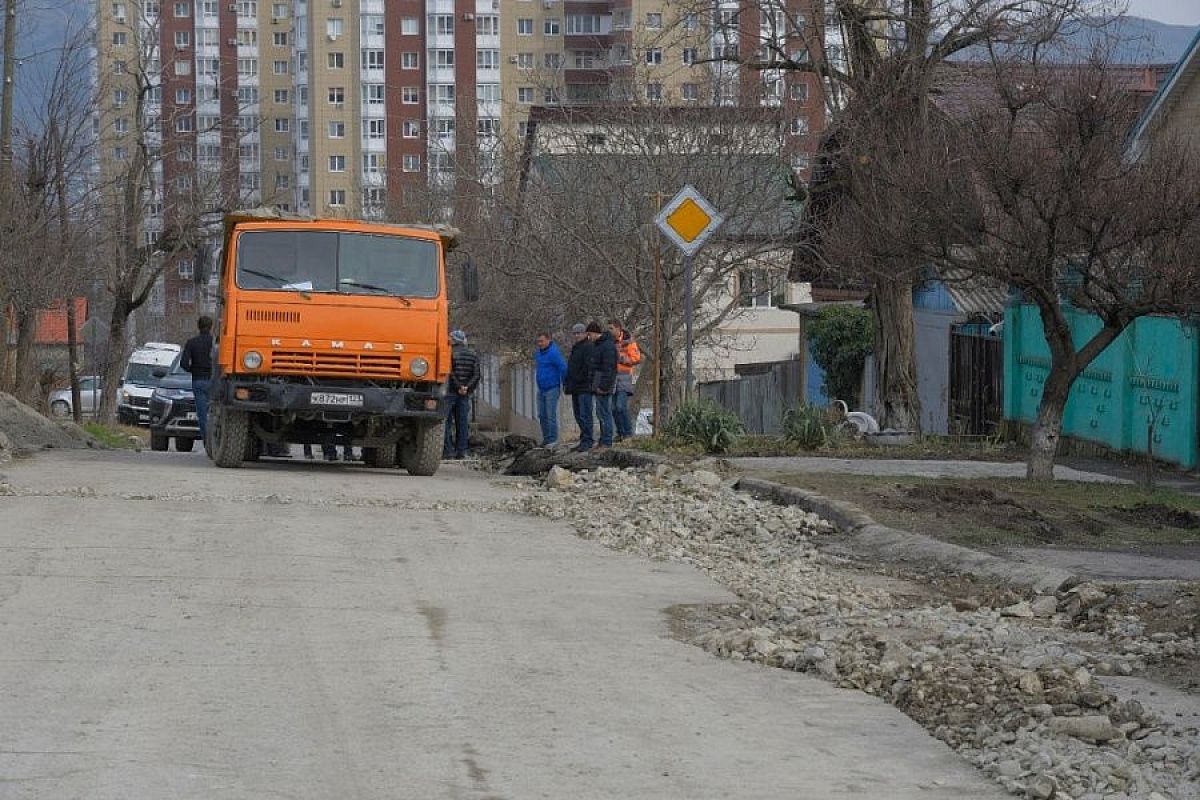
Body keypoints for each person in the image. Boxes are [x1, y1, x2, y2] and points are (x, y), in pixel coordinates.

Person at [444, 329, 479, 459]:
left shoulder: (449, 353)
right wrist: (466, 388)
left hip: (450, 392)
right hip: (464, 394)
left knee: (446, 422)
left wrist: (458, 386)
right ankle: (461, 451)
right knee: (462, 422)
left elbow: (449, 372)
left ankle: (448, 451)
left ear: (453, 340)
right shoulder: (473, 354)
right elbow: (476, 375)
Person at [179, 315, 213, 444]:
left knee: (202, 414)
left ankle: (206, 441)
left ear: (198, 326)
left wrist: (192, 370)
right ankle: (215, 439)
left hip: (198, 380)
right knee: (215, 412)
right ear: (211, 327)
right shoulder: (215, 343)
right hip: (213, 381)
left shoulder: (192, 343)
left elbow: (183, 363)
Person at [564, 322, 595, 452]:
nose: (577, 335)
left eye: (579, 333)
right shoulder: (576, 347)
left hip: (584, 387)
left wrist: (579, 379)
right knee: (578, 415)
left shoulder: (588, 347)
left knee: (585, 414)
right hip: (576, 387)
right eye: (575, 333)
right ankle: (584, 439)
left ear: (585, 333)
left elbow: (587, 368)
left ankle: (588, 440)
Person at [534, 331, 568, 447]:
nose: (540, 343)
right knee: (541, 415)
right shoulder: (538, 353)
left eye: (542, 341)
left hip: (552, 388)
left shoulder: (554, 353)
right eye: (538, 341)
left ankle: (553, 440)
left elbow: (563, 367)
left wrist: (564, 383)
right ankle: (546, 438)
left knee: (550, 415)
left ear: (548, 340)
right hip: (541, 389)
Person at [609, 319, 641, 442]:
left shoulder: (629, 342)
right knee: (613, 408)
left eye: (612, 328)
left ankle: (628, 433)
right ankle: (621, 433)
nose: (610, 331)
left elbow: (636, 358)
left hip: (625, 377)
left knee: (621, 406)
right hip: (613, 378)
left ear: (618, 329)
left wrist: (621, 357)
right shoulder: (610, 342)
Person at [588, 321, 618, 451]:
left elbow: (609, 368)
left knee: (605, 413)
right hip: (598, 383)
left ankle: (607, 441)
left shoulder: (607, 346)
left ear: (595, 333)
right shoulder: (599, 345)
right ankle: (603, 440)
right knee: (600, 413)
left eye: (590, 334)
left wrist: (604, 386)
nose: (589, 338)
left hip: (604, 384)